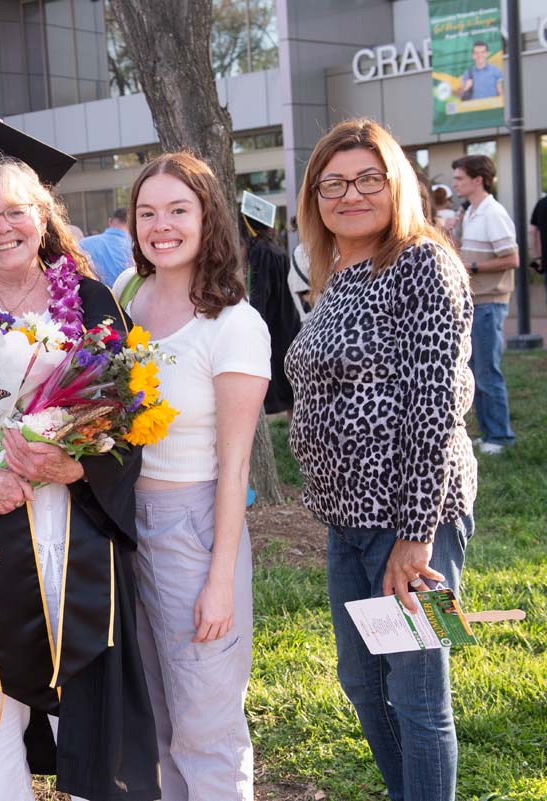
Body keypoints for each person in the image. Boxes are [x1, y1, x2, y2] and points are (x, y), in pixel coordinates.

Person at [0, 114, 159, 801]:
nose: (3, 226)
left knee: (88, 687)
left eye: (17, 210)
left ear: (42, 218)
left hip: (76, 526)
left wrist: (77, 466)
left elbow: (126, 416)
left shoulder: (94, 302)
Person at [286, 118, 477, 801]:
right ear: (314, 198)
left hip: (413, 520)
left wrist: (415, 535)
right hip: (348, 523)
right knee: (363, 681)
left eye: (369, 178)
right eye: (333, 182)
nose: (351, 194)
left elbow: (435, 407)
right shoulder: (337, 271)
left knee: (419, 695)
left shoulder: (422, 263)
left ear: (396, 184)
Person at [112, 153, 269, 800]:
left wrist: (219, 582)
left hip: (195, 525)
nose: (161, 224)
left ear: (209, 217)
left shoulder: (234, 324)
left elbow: (234, 467)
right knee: (153, 719)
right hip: (123, 523)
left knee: (205, 726)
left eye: (179, 209)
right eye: (148, 211)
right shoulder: (124, 292)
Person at [452, 153, 517, 454]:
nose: (454, 183)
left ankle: (501, 436)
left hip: (490, 302)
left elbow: (512, 258)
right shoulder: (472, 212)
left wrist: (474, 267)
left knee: (487, 370)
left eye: (459, 178)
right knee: (476, 370)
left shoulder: (492, 213)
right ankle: (490, 432)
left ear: (478, 180)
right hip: (477, 302)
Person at [240, 204, 299, 415]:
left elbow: (261, 292)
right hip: (286, 319)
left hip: (272, 321)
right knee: (290, 391)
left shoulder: (261, 252)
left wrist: (253, 322)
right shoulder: (275, 247)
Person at [80, 207, 134, 287]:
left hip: (97, 297)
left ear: (109, 221)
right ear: (132, 225)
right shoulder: (138, 247)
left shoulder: (83, 244)